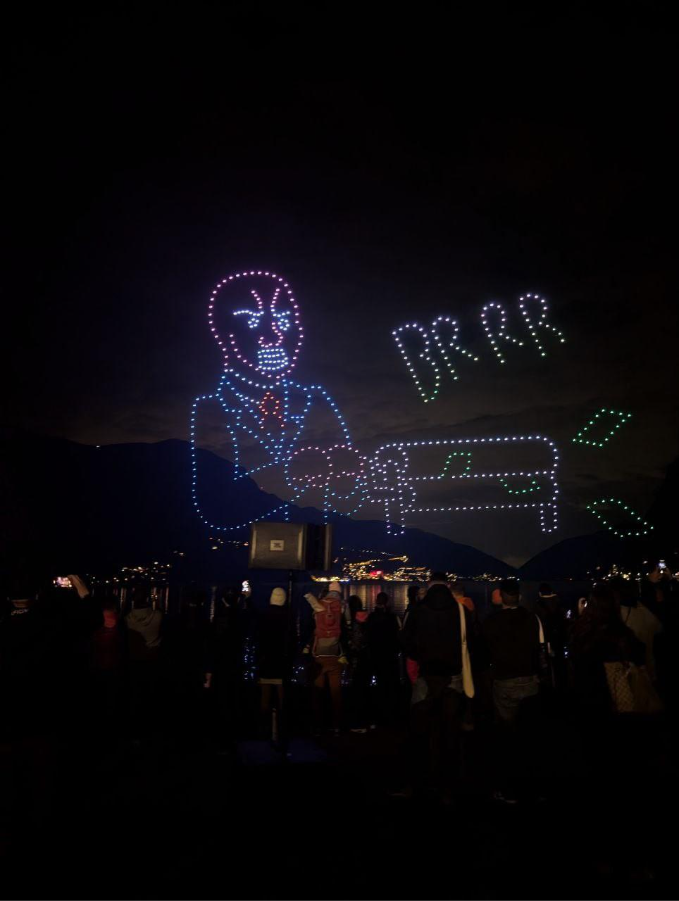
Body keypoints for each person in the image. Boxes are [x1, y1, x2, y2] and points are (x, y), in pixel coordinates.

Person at [399, 572, 470, 802]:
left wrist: (421, 655)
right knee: (450, 730)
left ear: (429, 584)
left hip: (426, 675)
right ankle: (450, 784)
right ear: (447, 584)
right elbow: (472, 640)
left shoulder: (418, 610)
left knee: (420, 730)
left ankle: (419, 782)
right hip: (453, 676)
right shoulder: (460, 610)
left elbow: (406, 643)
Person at [480, 578, 542, 803]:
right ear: (519, 596)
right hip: (530, 680)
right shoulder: (532, 618)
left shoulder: (492, 622)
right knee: (529, 735)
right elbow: (540, 649)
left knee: (506, 735)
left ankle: (508, 789)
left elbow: (483, 651)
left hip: (504, 680)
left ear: (502, 597)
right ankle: (532, 787)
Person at [304, 581, 346, 734]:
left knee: (317, 691)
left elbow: (311, 625)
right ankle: (336, 725)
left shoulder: (319, 604)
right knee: (336, 693)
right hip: (335, 655)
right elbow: (346, 628)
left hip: (319, 655)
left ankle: (317, 725)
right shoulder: (342, 606)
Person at [125, 584, 163, 740]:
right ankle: (150, 728)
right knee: (151, 695)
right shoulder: (158, 616)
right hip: (152, 660)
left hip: (134, 661)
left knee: (135, 695)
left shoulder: (127, 620)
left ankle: (134, 729)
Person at [609, 576, 662, 684]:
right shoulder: (645, 612)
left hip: (630, 678)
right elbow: (659, 628)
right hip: (649, 671)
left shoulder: (617, 617)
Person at [256, 587, 290, 744]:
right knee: (282, 699)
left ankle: (263, 730)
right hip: (281, 663)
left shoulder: (263, 615)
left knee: (264, 699)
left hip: (266, 662)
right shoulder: (287, 616)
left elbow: (259, 640)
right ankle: (282, 729)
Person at [366, 592, 400, 726]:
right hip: (389, 655)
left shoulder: (371, 617)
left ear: (376, 601)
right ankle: (389, 713)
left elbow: (368, 635)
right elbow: (397, 636)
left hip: (375, 654)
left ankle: (376, 711)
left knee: (378, 683)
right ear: (387, 602)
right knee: (388, 683)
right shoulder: (392, 617)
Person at [346, 595, 372, 732]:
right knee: (365, 690)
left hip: (356, 660)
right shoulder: (368, 618)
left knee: (356, 691)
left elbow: (354, 643)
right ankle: (368, 720)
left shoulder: (351, 622)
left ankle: (357, 722)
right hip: (367, 659)